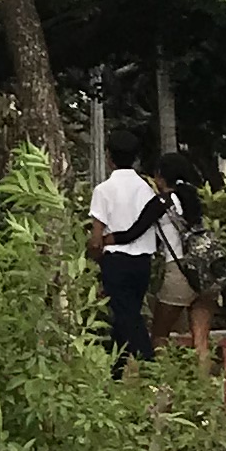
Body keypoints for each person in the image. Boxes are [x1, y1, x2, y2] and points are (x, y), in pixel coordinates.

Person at [86, 133, 166, 367]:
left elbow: (96, 239)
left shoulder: (104, 190)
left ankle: (150, 367)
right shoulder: (146, 189)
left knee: (128, 317)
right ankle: (116, 372)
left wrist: (94, 260)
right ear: (136, 158)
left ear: (108, 157)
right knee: (125, 315)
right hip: (142, 262)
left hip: (116, 262)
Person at [149, 149, 217, 359]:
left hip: (179, 271)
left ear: (160, 176)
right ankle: (203, 378)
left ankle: (162, 377)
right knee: (201, 342)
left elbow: (140, 230)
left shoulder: (162, 202)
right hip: (205, 273)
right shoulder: (192, 199)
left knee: (159, 335)